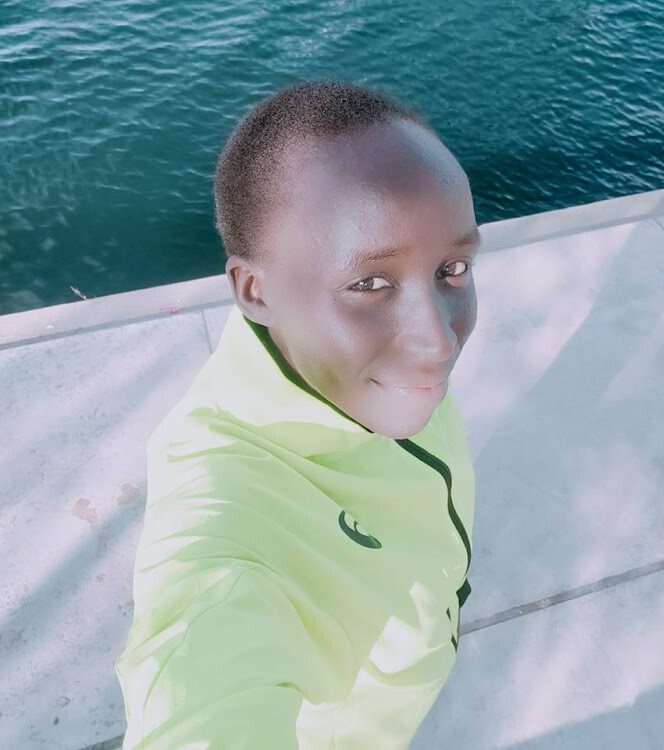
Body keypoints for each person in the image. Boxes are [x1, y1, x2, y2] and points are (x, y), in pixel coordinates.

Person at [116, 80, 480, 749]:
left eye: (452, 268)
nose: (438, 341)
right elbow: (197, 686)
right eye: (369, 283)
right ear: (255, 291)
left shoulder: (367, 370)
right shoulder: (224, 514)